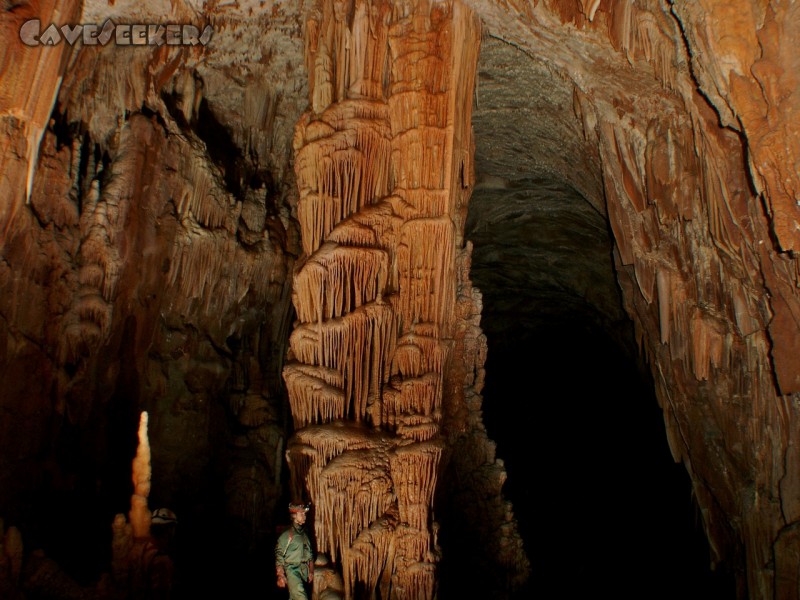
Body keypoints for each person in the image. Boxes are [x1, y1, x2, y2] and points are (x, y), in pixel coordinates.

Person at [275, 503, 314, 599]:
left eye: (305, 514)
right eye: (301, 514)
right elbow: (279, 553)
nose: (304, 516)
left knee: (294, 597)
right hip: (292, 570)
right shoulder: (287, 534)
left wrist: (311, 571)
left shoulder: (305, 535)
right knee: (301, 597)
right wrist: (280, 575)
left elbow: (310, 556)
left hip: (304, 571)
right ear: (294, 516)